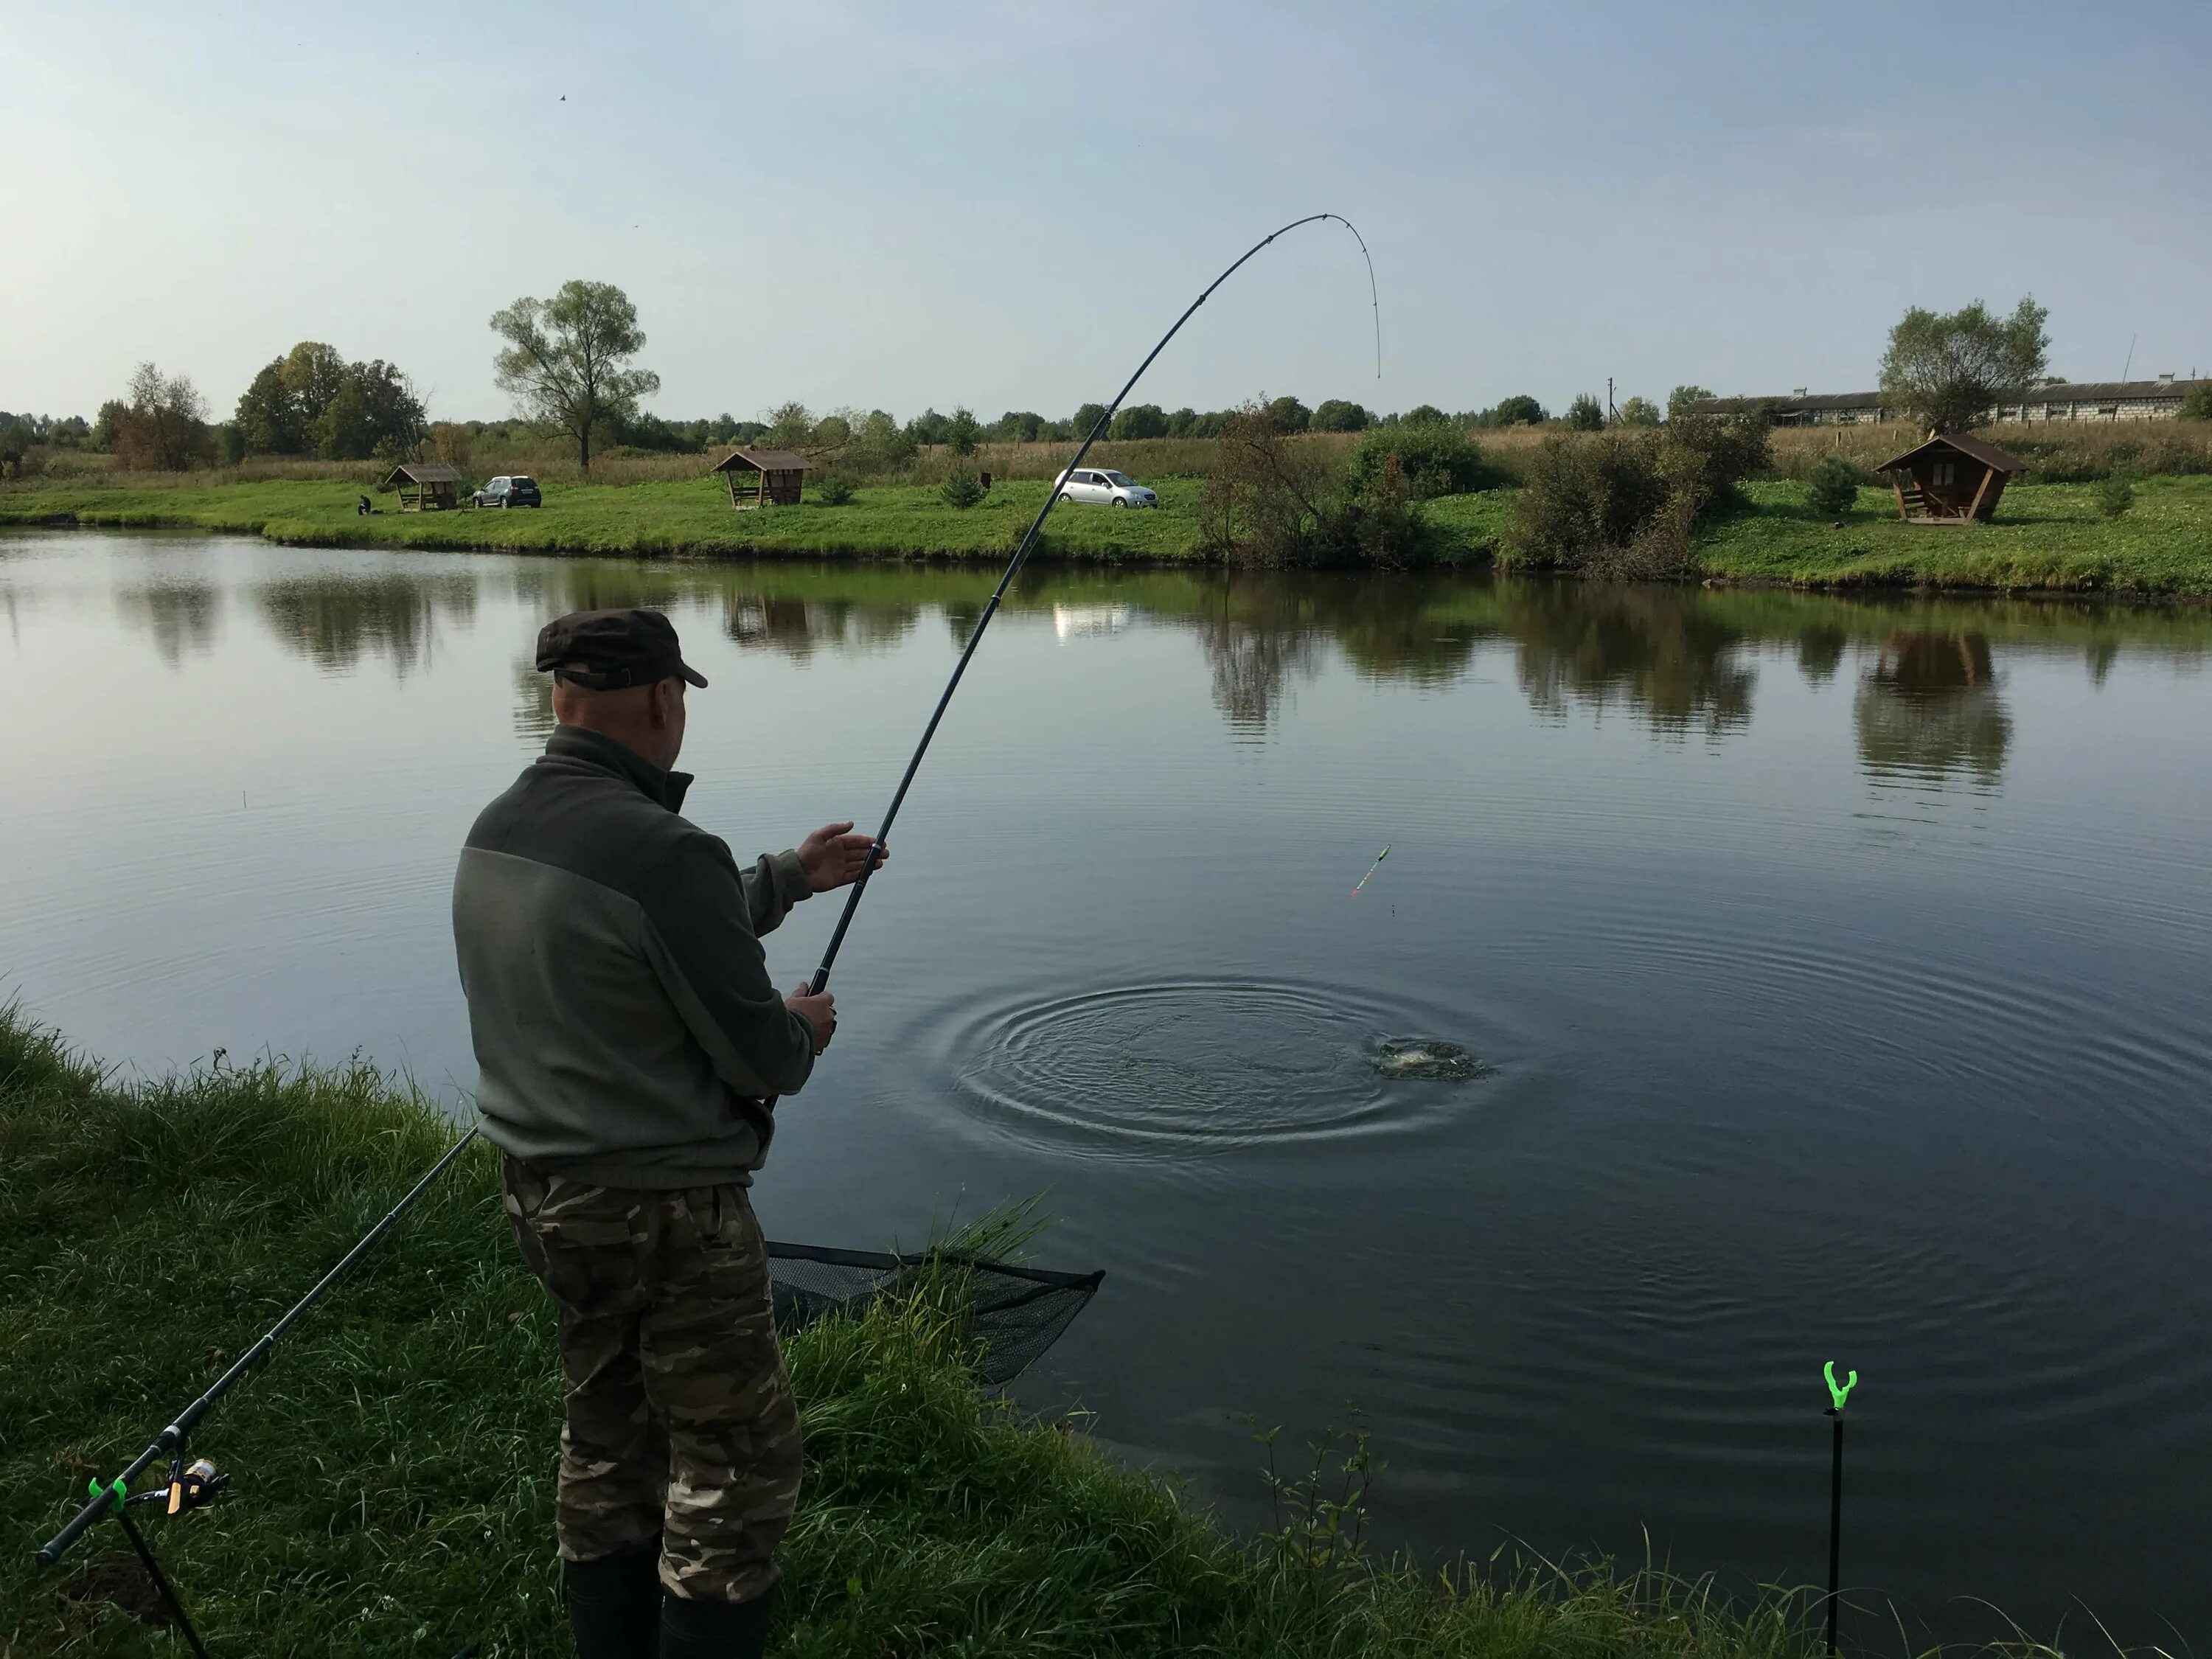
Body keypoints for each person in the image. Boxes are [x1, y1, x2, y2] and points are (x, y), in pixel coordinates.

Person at [451, 607, 883, 1658]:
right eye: (678, 693)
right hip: (668, 1218)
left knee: (606, 1437)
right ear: (660, 698)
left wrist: (785, 877)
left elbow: (635, 936)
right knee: (732, 1466)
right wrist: (803, 1024)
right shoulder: (667, 848)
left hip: (543, 1197)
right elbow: (764, 1056)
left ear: (561, 699)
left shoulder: (498, 827)